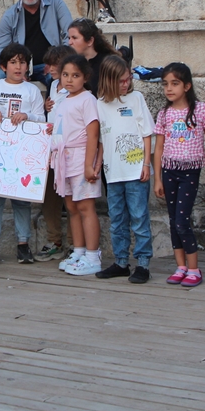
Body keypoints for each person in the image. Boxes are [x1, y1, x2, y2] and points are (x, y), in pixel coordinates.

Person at [0, 44, 44, 265]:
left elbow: (42, 119)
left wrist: (27, 115)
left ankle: (23, 244)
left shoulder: (32, 90)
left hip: (22, 152)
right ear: (3, 66)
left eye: (23, 62)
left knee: (22, 201)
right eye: (14, 62)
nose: (19, 67)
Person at [94, 56, 153, 284]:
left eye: (128, 80)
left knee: (139, 217)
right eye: (120, 81)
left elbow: (147, 133)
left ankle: (143, 263)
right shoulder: (100, 103)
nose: (125, 84)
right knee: (117, 218)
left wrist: (146, 163)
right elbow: (101, 139)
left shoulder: (136, 98)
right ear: (109, 80)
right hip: (113, 171)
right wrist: (98, 165)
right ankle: (121, 261)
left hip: (136, 170)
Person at [153, 61, 205, 288]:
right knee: (172, 220)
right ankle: (181, 266)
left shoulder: (200, 109)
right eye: (166, 84)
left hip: (190, 172)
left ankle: (194, 268)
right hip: (169, 171)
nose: (169, 88)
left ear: (186, 86)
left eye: (175, 83)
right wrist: (157, 177)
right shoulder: (164, 113)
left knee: (182, 221)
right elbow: (159, 147)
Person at [54, 55, 103, 277]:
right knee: (72, 207)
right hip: (64, 160)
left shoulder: (87, 100)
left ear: (85, 77)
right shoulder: (62, 99)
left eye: (75, 75)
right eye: (66, 75)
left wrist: (89, 165)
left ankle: (93, 256)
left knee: (85, 207)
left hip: (81, 157)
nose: (70, 80)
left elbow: (93, 134)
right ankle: (79, 250)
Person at [0, 0, 72, 83]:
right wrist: (18, 68)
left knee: (55, 79)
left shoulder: (56, 4)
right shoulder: (9, 15)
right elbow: (0, 51)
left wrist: (56, 62)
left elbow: (70, 36)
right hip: (20, 66)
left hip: (50, 65)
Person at [35, 45, 71, 263]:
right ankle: (54, 241)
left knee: (72, 199)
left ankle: (77, 245)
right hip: (50, 150)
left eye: (53, 64)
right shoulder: (53, 85)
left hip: (70, 151)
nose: (47, 68)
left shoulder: (78, 89)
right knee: (50, 198)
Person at [66, 17, 117, 95]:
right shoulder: (71, 62)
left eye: (74, 38)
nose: (70, 42)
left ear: (90, 41)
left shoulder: (108, 62)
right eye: (69, 38)